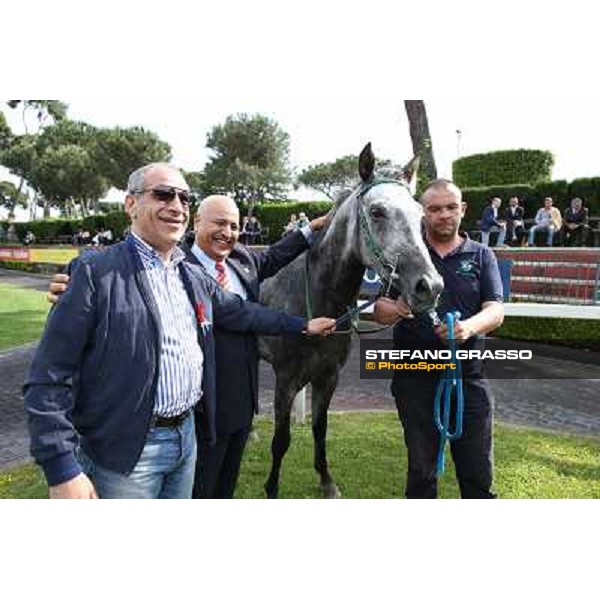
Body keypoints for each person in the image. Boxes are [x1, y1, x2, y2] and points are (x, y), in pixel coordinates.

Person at [27, 162, 336, 500]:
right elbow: (47, 378)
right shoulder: (92, 271)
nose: (176, 205)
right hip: (129, 451)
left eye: (184, 198)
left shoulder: (190, 276)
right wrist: (61, 466)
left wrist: (302, 325)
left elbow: (242, 311)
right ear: (131, 204)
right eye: (163, 194)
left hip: (187, 437)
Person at [373, 179, 504, 499]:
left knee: (477, 472)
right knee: (421, 470)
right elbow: (379, 309)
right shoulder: (404, 255)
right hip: (415, 379)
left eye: (450, 207)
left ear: (462, 209)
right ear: (422, 213)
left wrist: (468, 328)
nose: (443, 214)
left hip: (468, 380)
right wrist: (401, 307)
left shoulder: (482, 255)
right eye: (434, 209)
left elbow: (496, 310)